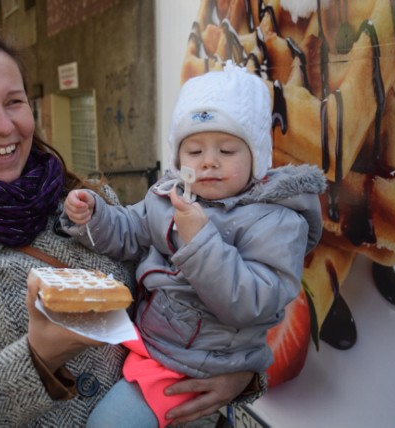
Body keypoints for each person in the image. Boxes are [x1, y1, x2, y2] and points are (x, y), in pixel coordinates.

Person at [0, 30, 260, 427]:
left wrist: (240, 374)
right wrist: (38, 358)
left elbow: (193, 293)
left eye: (14, 102)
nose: (3, 126)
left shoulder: (88, 201)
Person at [62, 62, 326, 427]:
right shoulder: (168, 197)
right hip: (152, 346)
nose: (209, 162)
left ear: (257, 157)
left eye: (228, 150)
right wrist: (93, 216)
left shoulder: (277, 222)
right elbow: (129, 231)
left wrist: (200, 239)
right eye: (195, 151)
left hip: (200, 367)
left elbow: (253, 303)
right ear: (178, 159)